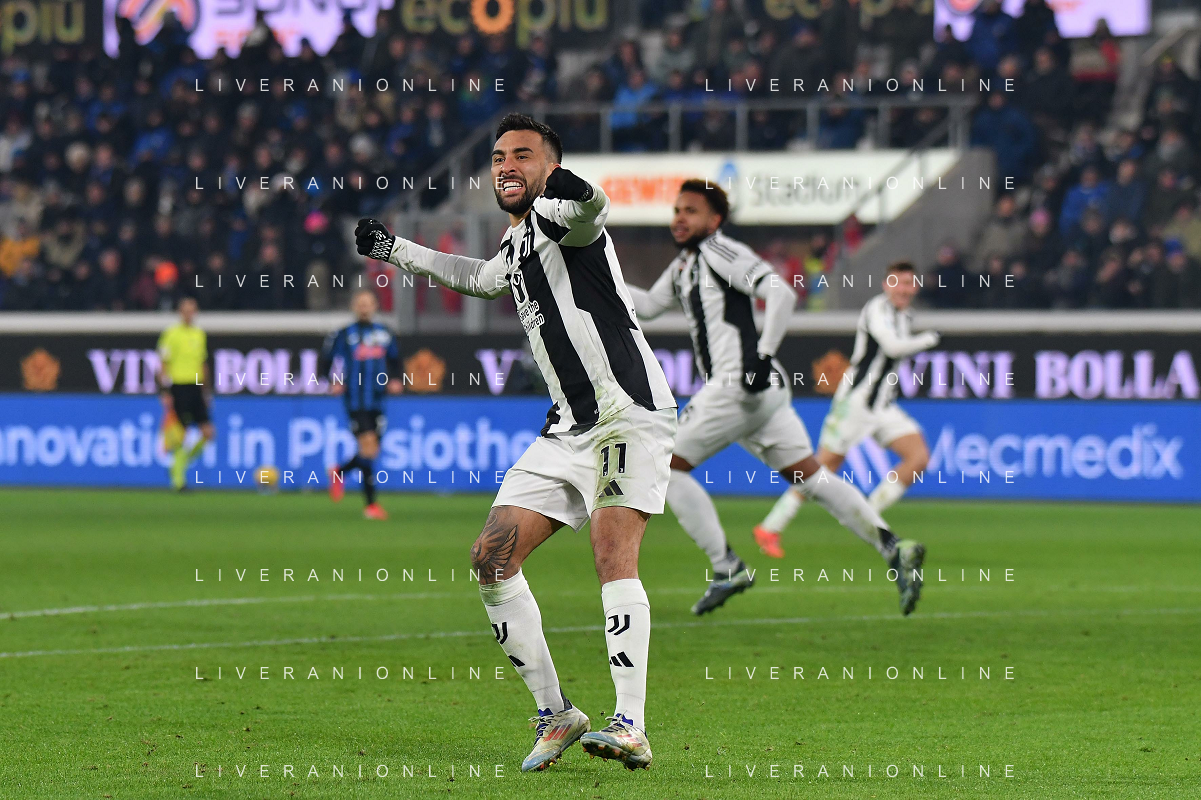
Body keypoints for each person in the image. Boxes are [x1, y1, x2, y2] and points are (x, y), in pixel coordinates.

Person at [353, 114, 676, 772]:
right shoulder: (518, 241)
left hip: (626, 412)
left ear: (548, 167)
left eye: (522, 156)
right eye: (499, 156)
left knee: (612, 553)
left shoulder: (561, 217)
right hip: (567, 427)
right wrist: (395, 250)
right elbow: (477, 277)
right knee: (491, 558)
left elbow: (593, 207)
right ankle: (556, 713)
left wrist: (569, 184)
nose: (506, 165)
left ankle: (631, 725)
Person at [626, 181, 927, 617]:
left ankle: (726, 566)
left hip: (738, 384)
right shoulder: (684, 266)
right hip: (759, 392)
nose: (679, 218)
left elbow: (781, 292)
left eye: (691, 211)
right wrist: (596, 282)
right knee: (811, 477)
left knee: (666, 465)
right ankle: (892, 546)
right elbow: (651, 306)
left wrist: (762, 355)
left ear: (714, 220)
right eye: (677, 210)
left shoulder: (720, 251)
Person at [757, 262, 940, 551]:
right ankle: (770, 527)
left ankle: (869, 518)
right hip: (855, 403)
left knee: (918, 458)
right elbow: (892, 347)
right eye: (897, 283)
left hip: (882, 407)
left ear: (915, 287)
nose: (903, 289)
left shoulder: (905, 316)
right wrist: (929, 339)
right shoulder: (876, 310)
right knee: (822, 467)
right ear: (886, 285)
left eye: (908, 284)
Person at [318, 289, 402, 520]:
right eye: (360, 304)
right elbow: (325, 360)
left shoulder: (385, 333)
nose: (364, 308)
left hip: (378, 400)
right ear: (354, 307)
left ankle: (340, 472)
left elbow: (396, 360)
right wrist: (332, 381)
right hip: (355, 401)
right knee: (368, 448)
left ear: (375, 306)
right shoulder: (344, 334)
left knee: (371, 451)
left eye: (368, 303)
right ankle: (371, 505)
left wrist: (396, 379)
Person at [156, 296, 213, 490]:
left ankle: (178, 466)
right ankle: (179, 480)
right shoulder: (171, 334)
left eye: (192, 311)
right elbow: (163, 364)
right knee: (181, 434)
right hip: (178, 387)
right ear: (180, 313)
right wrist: (165, 391)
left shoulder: (199, 334)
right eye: (186, 311)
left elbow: (202, 363)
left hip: (196, 386)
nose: (189, 314)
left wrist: (206, 391)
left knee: (208, 433)